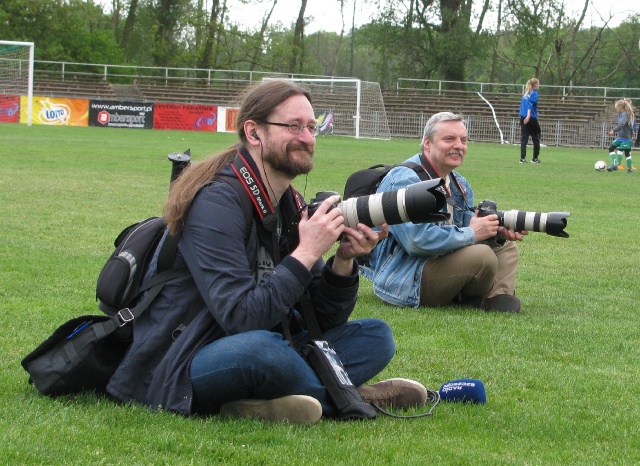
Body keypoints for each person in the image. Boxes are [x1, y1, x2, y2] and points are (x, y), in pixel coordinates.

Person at [105, 79, 428, 425]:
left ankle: (264, 402)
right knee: (261, 352)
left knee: (376, 336)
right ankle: (350, 394)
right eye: (293, 126)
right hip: (188, 356)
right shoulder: (217, 202)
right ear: (254, 132)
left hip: (269, 340)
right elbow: (242, 318)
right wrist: (305, 252)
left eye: (311, 126)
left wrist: (344, 261)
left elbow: (323, 320)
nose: (307, 137)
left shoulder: (287, 202)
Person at [360, 112, 527, 313]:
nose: (459, 145)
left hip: (439, 260)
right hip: (407, 276)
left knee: (505, 246)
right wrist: (473, 233)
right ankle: (475, 298)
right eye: (449, 139)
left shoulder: (459, 182)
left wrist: (494, 231)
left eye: (463, 140)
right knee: (482, 255)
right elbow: (415, 241)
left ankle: (495, 299)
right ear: (427, 143)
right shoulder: (404, 180)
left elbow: (464, 221)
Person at [606, 99, 635, 173]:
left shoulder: (625, 114)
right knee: (611, 148)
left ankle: (629, 169)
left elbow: (621, 124)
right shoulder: (621, 114)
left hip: (626, 138)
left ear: (620, 107)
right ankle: (614, 164)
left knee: (627, 153)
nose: (616, 109)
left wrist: (614, 130)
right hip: (620, 137)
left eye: (616, 107)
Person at [519, 78, 541, 164]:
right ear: (535, 85)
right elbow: (530, 105)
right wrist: (528, 116)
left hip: (522, 117)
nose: (539, 86)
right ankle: (534, 158)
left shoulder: (525, 94)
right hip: (531, 118)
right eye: (538, 84)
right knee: (536, 137)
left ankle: (522, 158)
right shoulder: (534, 93)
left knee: (524, 139)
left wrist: (524, 116)